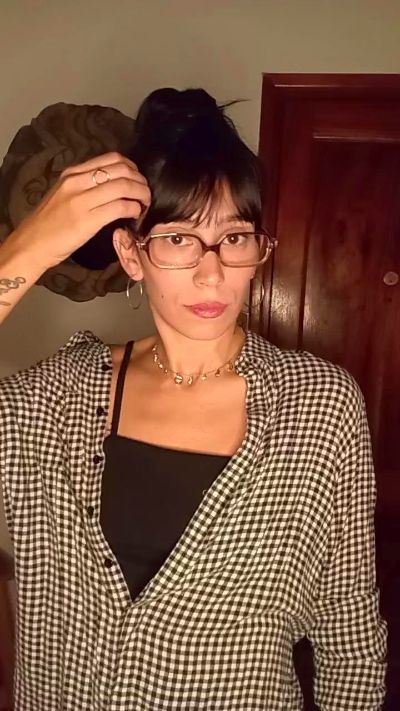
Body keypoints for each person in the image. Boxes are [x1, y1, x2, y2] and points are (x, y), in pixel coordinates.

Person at [0, 88, 387, 710]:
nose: (212, 273)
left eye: (234, 238)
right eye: (178, 239)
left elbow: (350, 640)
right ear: (132, 254)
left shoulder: (320, 406)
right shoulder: (57, 397)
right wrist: (28, 248)